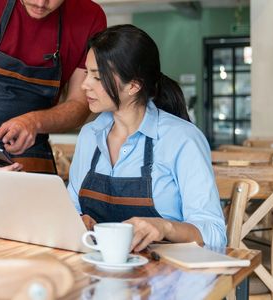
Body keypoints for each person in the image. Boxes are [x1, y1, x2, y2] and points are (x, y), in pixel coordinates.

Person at [0, 0, 106, 245]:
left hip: (32, 167)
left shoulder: (89, 17)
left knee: (32, 267)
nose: (40, 2)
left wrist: (35, 122)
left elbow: (80, 105)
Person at [68, 24, 226, 251]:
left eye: (98, 77)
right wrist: (80, 220)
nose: (84, 85)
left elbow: (215, 234)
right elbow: (71, 208)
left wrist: (165, 228)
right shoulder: (89, 136)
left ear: (133, 86)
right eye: (87, 73)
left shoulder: (182, 139)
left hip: (169, 277)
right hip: (99, 271)